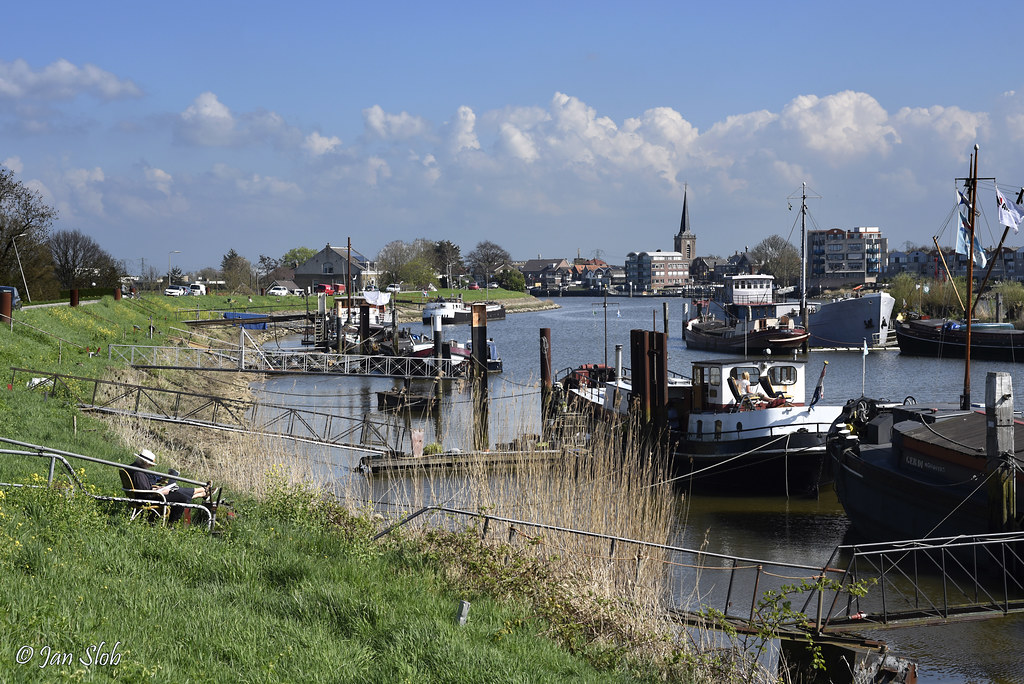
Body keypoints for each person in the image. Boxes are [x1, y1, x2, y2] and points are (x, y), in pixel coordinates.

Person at [128, 449, 209, 524]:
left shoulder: (133, 468)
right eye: (150, 465)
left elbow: (142, 488)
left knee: (177, 493)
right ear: (145, 463)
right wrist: (161, 491)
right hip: (147, 498)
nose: (150, 467)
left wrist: (156, 488)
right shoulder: (139, 473)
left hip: (141, 496)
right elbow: (145, 494)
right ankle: (172, 524)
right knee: (181, 498)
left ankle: (203, 493)